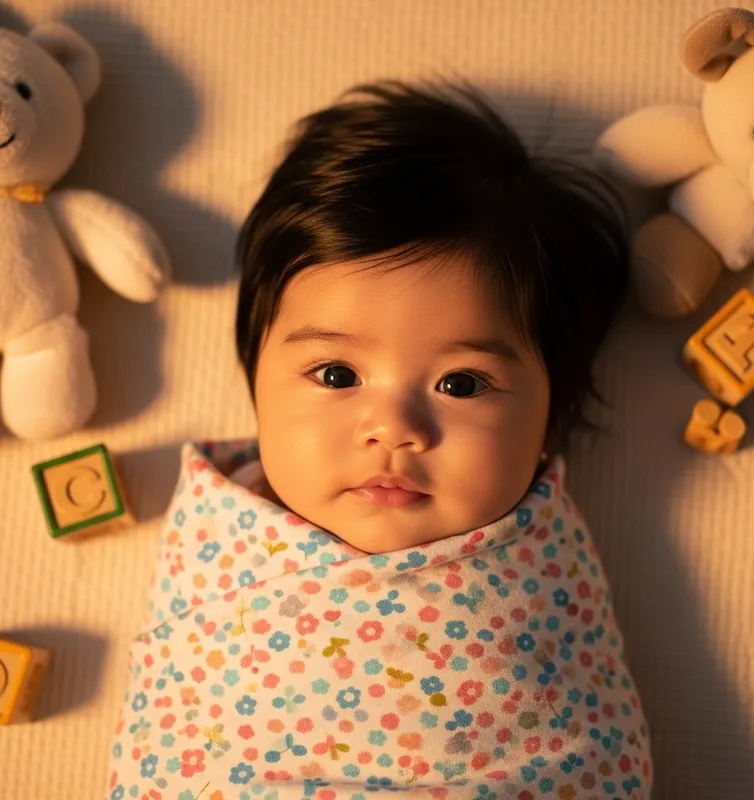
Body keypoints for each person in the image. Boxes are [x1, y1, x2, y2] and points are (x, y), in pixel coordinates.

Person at [105, 81, 652, 799]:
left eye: (461, 385)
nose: (393, 428)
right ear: (257, 383)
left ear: (550, 413)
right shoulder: (220, 542)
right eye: (337, 373)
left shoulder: (544, 576)